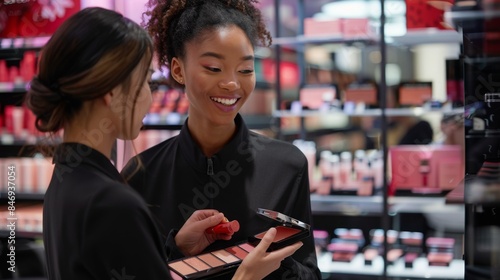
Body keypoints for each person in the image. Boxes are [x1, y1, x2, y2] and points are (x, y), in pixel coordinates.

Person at [24, 7, 301, 280]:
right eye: (146, 82)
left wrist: (175, 249)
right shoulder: (117, 199)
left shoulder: (64, 179)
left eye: (245, 69)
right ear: (111, 92)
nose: (230, 83)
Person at [121, 0, 321, 279]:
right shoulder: (141, 174)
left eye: (245, 70)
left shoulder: (287, 165)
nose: (232, 84)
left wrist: (277, 266)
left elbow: (309, 272)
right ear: (178, 71)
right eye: (214, 68)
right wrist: (176, 251)